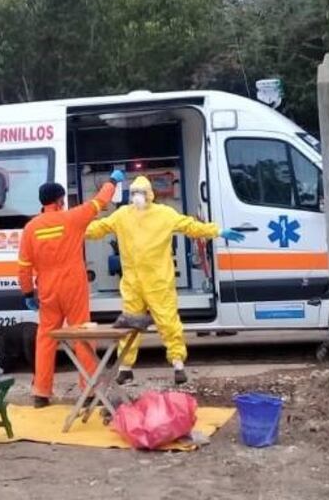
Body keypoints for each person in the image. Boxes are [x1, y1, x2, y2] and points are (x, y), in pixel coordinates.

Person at [86, 175, 245, 385]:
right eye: (133, 193)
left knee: (169, 323)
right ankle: (125, 367)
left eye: (141, 193)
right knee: (128, 326)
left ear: (150, 194)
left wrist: (217, 231)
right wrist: (73, 229)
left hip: (159, 282)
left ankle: (178, 364)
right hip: (133, 284)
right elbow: (98, 228)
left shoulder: (164, 214)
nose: (137, 197)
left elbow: (190, 226)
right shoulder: (122, 215)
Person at [18, 170, 125, 408]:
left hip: (47, 290)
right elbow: (100, 201)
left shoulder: (30, 228)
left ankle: (41, 393)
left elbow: (24, 267)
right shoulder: (72, 218)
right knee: (83, 337)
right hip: (73, 287)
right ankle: (89, 391)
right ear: (59, 201)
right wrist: (113, 181)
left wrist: (27, 293)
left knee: (45, 339)